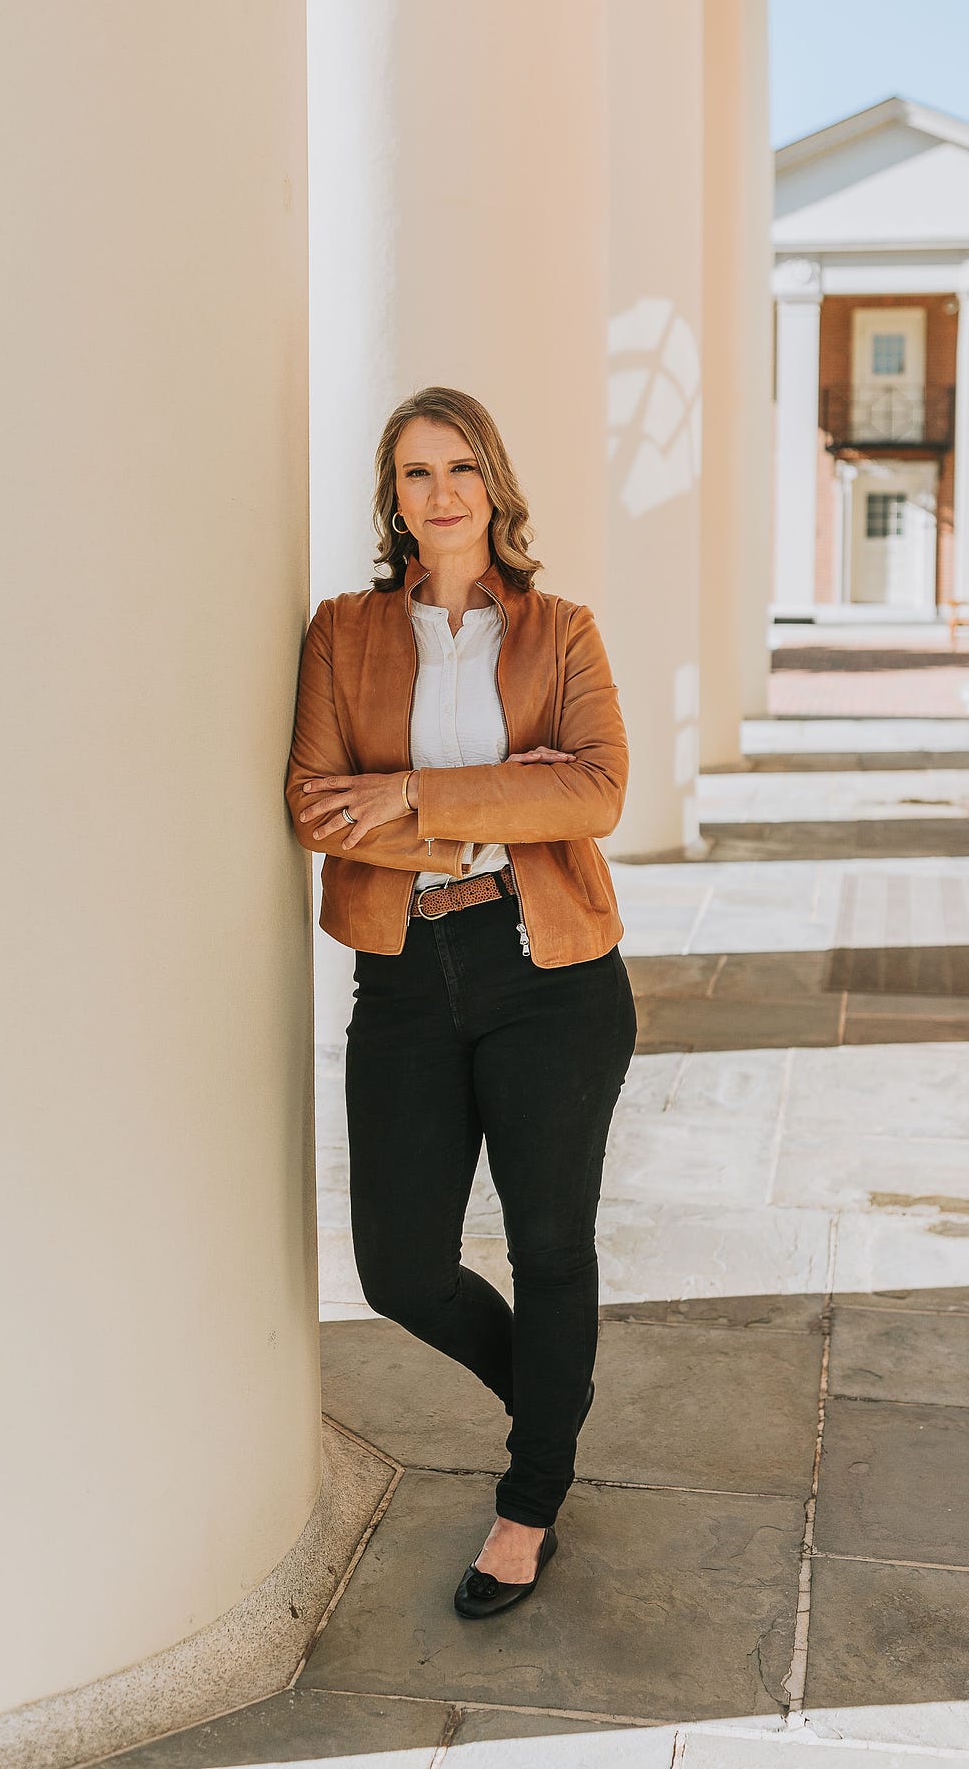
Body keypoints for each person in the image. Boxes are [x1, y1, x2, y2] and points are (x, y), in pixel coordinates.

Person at [285, 385, 637, 1618]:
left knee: (549, 1249)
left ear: (494, 484)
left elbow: (594, 793)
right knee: (399, 1269)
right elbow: (316, 806)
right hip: (404, 977)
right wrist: (490, 797)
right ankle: (554, 1403)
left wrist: (416, 796)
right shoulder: (343, 633)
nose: (439, 494)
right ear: (392, 496)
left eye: (459, 468)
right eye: (415, 472)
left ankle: (530, 1498)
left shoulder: (562, 629)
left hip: (552, 976)